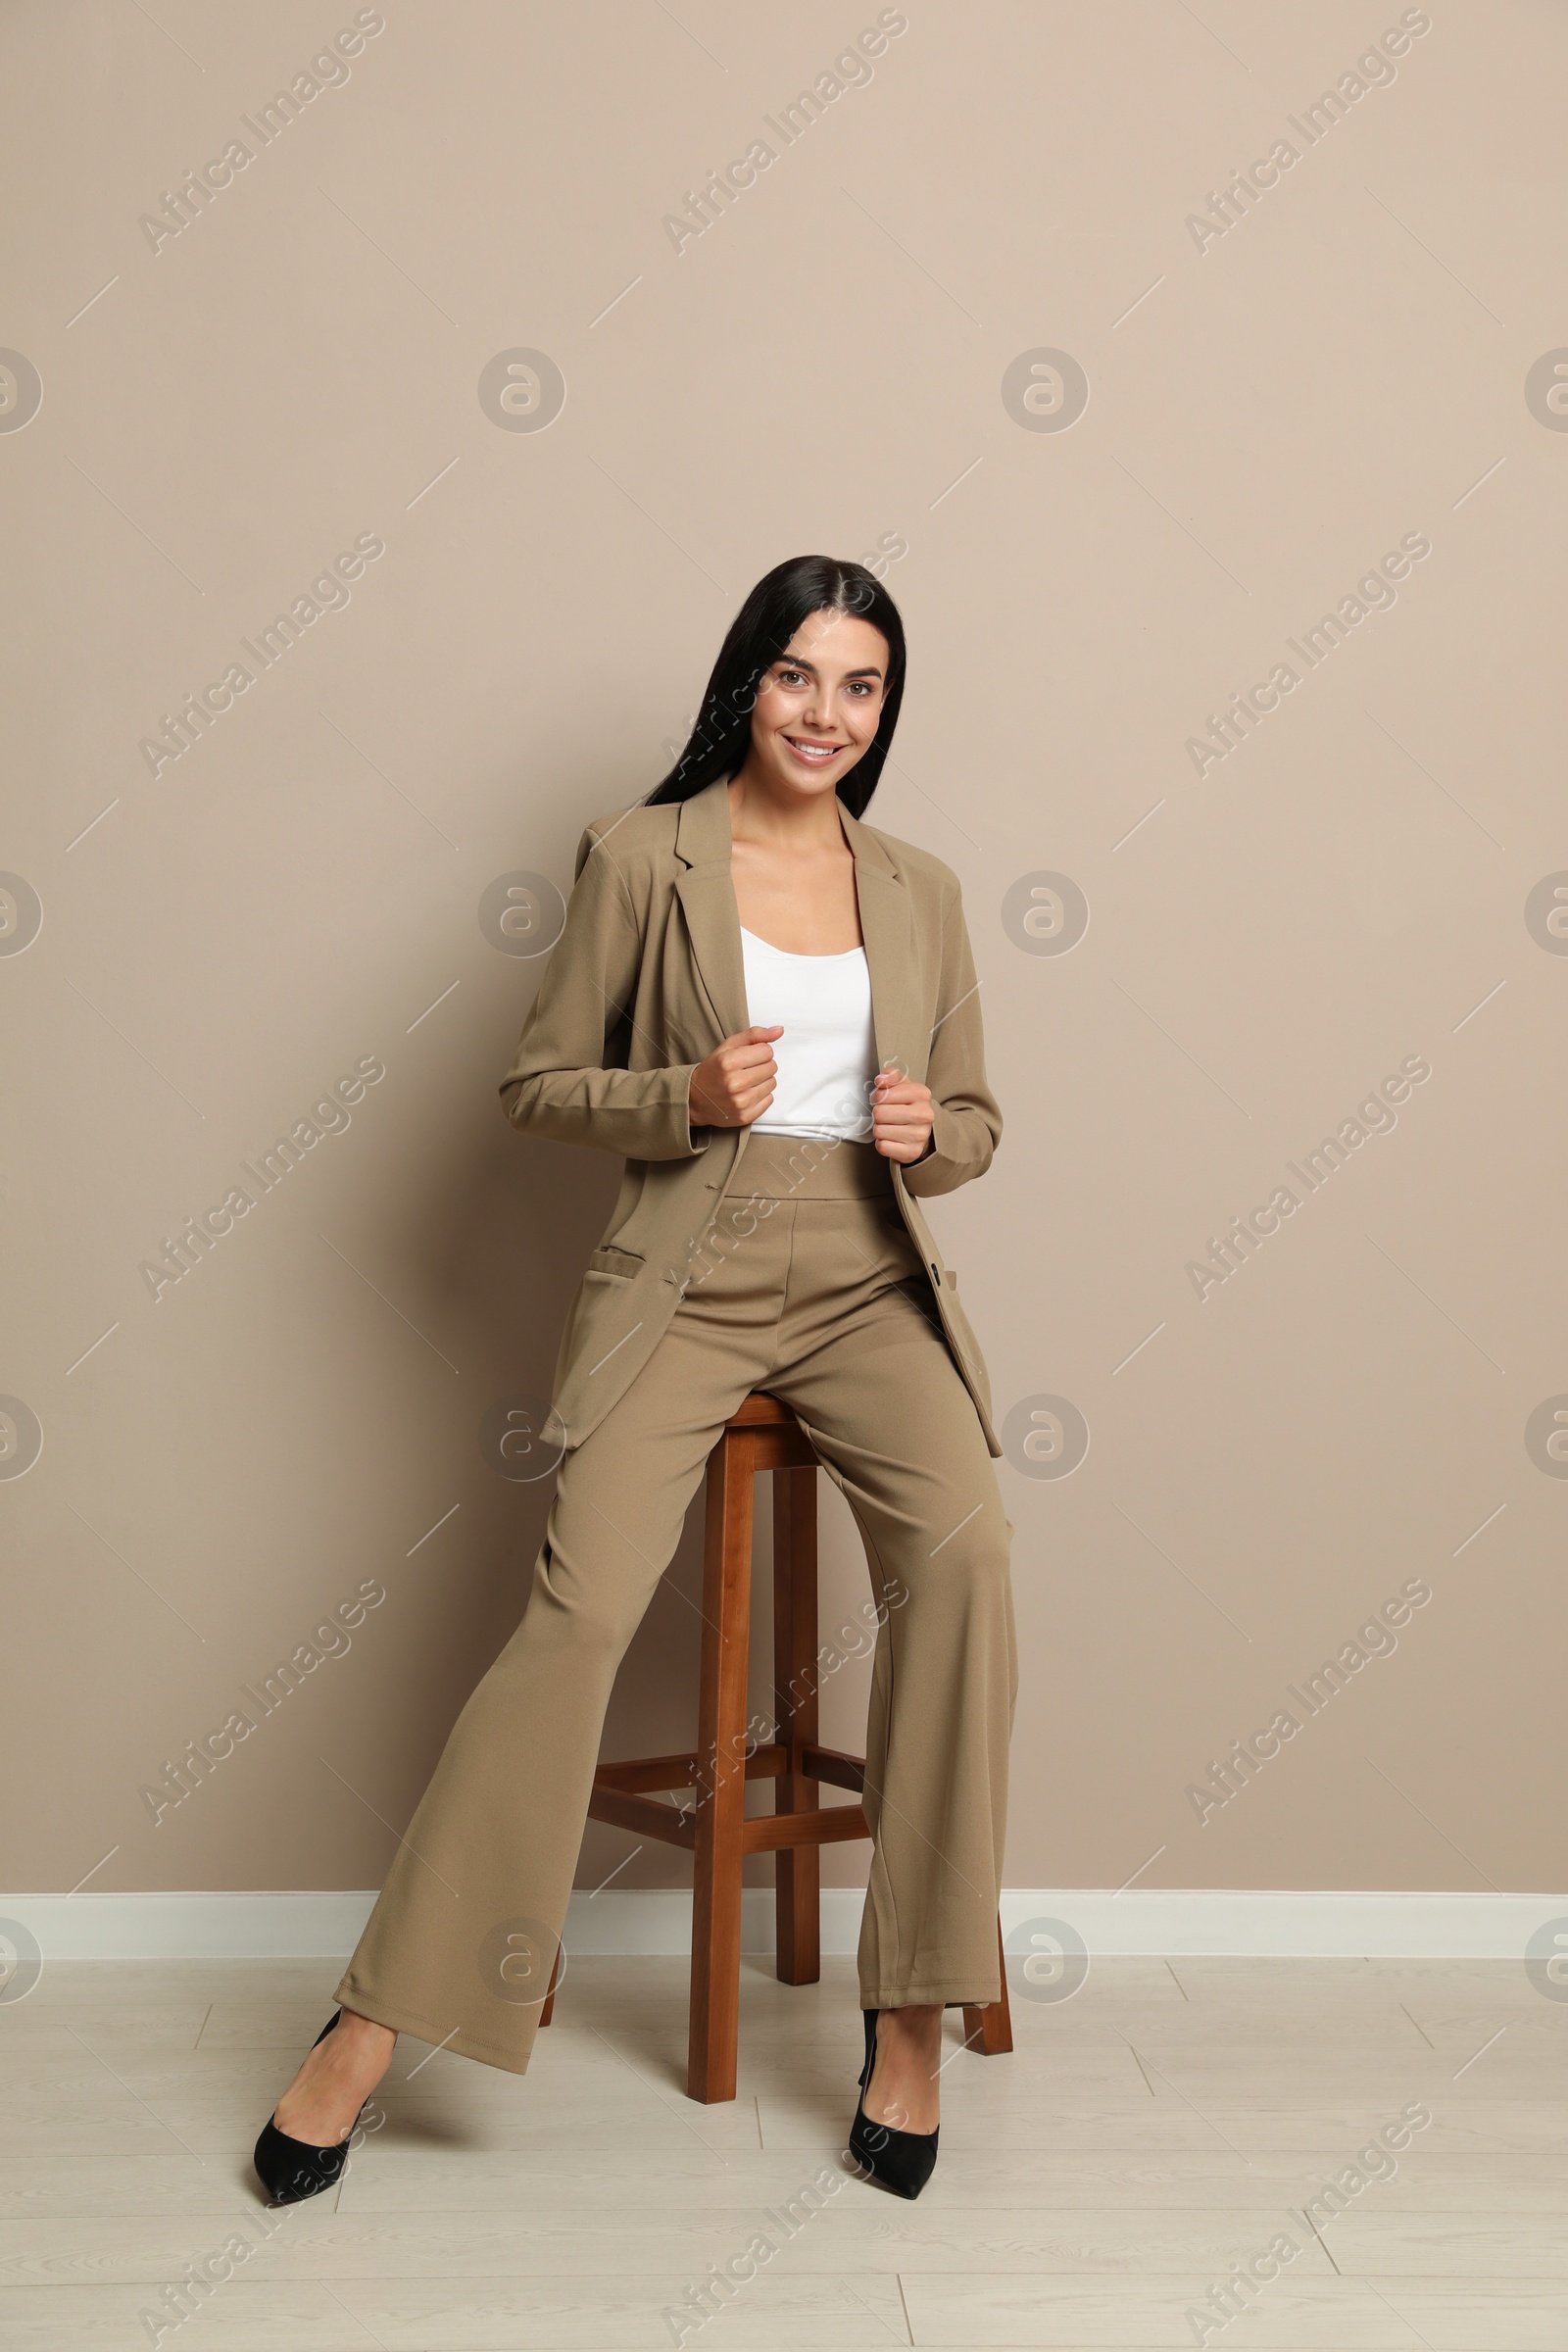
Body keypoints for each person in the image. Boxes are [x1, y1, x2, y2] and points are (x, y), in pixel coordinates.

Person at [254, 554, 1017, 2205]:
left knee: (969, 1564)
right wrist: (682, 1093)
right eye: (800, 675)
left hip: (872, 1280)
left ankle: (914, 2022)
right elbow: (535, 1087)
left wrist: (923, 1136)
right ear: (749, 681)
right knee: (582, 1611)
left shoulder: (924, 886)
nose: (827, 712)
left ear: (887, 709)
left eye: (862, 686)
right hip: (691, 1270)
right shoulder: (637, 854)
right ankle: (373, 2024)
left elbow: (972, 1122)